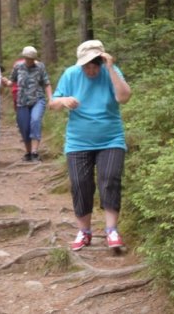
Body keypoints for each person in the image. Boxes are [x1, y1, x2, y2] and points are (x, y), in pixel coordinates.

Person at [49, 40, 132, 251]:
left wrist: (111, 68)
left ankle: (111, 230)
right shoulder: (71, 74)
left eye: (95, 64)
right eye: (86, 65)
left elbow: (124, 97)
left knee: (110, 179)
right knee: (80, 184)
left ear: (102, 61)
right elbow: (53, 104)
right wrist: (64, 100)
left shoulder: (110, 72)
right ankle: (84, 232)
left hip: (111, 139)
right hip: (78, 142)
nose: (91, 69)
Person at [6, 46, 52, 162]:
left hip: (38, 99)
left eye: (31, 59)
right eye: (27, 58)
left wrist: (51, 99)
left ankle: (35, 152)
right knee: (24, 127)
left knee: (35, 120)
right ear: (24, 57)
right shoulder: (18, 67)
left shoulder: (40, 67)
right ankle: (28, 152)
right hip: (22, 101)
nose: (29, 61)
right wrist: (6, 82)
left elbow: (46, 83)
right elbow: (12, 81)